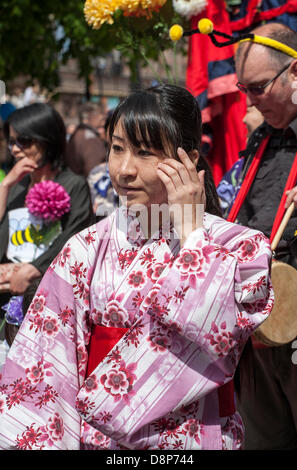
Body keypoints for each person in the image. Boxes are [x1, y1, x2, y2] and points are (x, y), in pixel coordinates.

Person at [0, 84, 273, 450]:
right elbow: (46, 367)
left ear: (189, 160)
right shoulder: (85, 248)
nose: (124, 169)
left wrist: (192, 234)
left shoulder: (238, 247)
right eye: (116, 148)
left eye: (144, 153)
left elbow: (215, 332)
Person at [231, 23, 297, 450]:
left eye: (258, 87)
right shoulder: (262, 137)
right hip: (259, 319)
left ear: (296, 74)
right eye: (244, 88)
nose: (250, 101)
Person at [0, 103, 95, 306]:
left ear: (47, 140)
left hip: (47, 296)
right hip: (6, 297)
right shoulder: (15, 186)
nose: (15, 149)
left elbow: (74, 239)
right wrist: (6, 185)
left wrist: (34, 268)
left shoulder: (74, 185)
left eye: (24, 141)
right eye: (12, 142)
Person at [64, 102, 107, 177]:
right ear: (88, 117)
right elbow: (94, 173)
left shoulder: (79, 134)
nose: (102, 118)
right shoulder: (89, 138)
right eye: (99, 113)